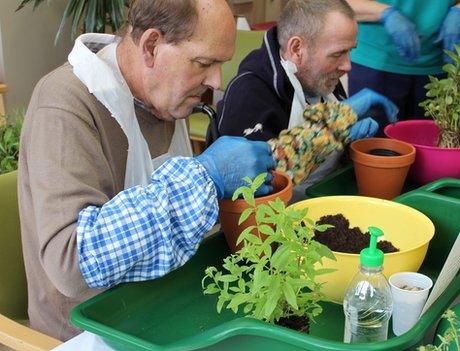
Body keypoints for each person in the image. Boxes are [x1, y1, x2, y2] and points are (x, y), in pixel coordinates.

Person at [18, 0, 275, 341]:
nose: (216, 81)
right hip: (87, 330)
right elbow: (71, 263)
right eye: (204, 63)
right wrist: (205, 176)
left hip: (164, 303)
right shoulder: (66, 104)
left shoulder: (161, 95)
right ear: (151, 46)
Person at [214, 0, 398, 200]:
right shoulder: (249, 93)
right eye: (338, 54)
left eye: (350, 51)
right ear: (296, 49)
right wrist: (334, 128)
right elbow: (258, 183)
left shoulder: (321, 78)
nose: (347, 66)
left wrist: (349, 142)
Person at [345, 0, 460, 123]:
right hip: (376, 62)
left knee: (434, 143)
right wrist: (384, 13)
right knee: (374, 145)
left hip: (438, 67)